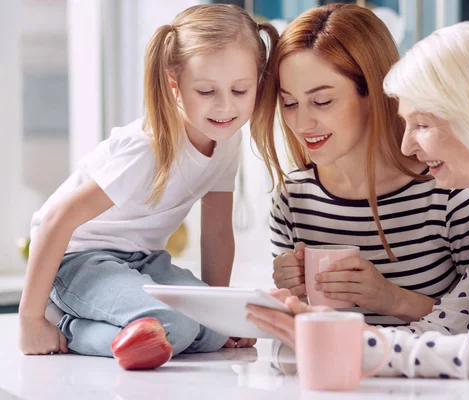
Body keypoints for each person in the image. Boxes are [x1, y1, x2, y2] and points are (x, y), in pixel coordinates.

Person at [247, 21, 469, 398]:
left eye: (422, 124)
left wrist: (360, 345)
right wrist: (327, 333)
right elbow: (444, 328)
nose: (407, 146)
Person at [19, 4, 278, 358]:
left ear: (258, 84)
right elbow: (55, 218)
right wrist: (31, 319)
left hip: (143, 260)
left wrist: (219, 319)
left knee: (210, 330)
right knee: (174, 327)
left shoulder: (226, 139)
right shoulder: (148, 148)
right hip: (77, 260)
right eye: (206, 92)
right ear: (175, 85)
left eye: (240, 91)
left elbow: (217, 232)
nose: (224, 107)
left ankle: (127, 323)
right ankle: (67, 324)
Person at [250, 3, 469, 326]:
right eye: (289, 103)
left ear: (374, 92)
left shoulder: (450, 190)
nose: (302, 123)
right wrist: (293, 297)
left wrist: (390, 298)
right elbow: (302, 335)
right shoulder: (294, 200)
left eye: (322, 101)